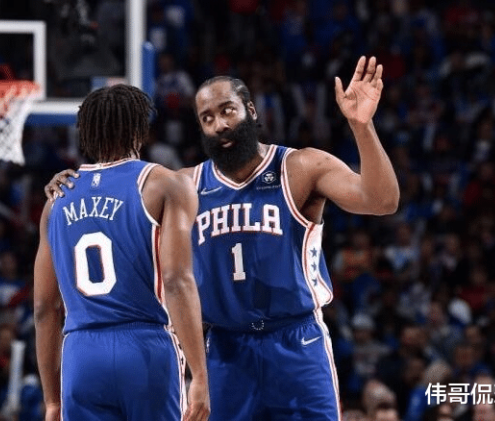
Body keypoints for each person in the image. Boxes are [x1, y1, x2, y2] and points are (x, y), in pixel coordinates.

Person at [46, 56, 399, 420]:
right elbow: (120, 202)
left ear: (250, 110)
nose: (220, 125)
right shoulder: (185, 184)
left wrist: (362, 127)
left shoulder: (300, 167)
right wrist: (70, 186)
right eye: (207, 118)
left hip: (297, 340)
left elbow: (382, 201)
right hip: (225, 349)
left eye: (227, 110)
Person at [33, 84, 210, 421]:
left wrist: (52, 401)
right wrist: (200, 375)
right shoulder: (164, 184)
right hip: (145, 347)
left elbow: (44, 308)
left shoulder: (56, 200)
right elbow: (176, 280)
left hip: (81, 354)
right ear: (139, 130)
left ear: (87, 134)